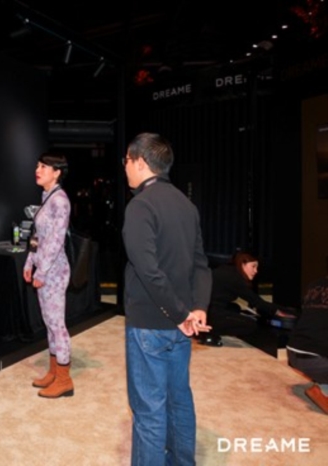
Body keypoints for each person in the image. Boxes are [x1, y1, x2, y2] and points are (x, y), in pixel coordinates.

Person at [121, 132, 212, 466]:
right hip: (182, 323)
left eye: (126, 160)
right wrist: (197, 308)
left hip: (151, 323)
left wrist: (179, 313)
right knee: (179, 401)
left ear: (140, 162)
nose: (124, 167)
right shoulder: (187, 205)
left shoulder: (140, 206)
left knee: (149, 411)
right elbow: (201, 264)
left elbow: (149, 271)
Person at [23, 153, 74, 398]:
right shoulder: (47, 198)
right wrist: (29, 261)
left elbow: (55, 241)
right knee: (50, 324)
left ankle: (64, 379)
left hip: (54, 272)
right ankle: (54, 372)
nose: (38, 169)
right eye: (37, 165)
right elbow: (38, 236)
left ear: (57, 172)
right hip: (45, 269)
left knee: (57, 325)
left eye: (44, 166)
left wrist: (41, 270)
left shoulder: (60, 201)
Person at [201, 251, 296, 346]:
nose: (256, 271)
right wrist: (280, 311)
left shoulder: (228, 271)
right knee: (250, 325)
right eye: (253, 266)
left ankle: (207, 327)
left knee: (235, 308)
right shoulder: (234, 278)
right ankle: (207, 331)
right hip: (207, 313)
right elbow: (257, 302)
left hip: (205, 309)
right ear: (243, 264)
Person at [287, 274, 328, 414]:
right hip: (315, 360)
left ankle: (323, 385)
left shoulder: (315, 284)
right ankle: (323, 392)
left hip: (293, 351)